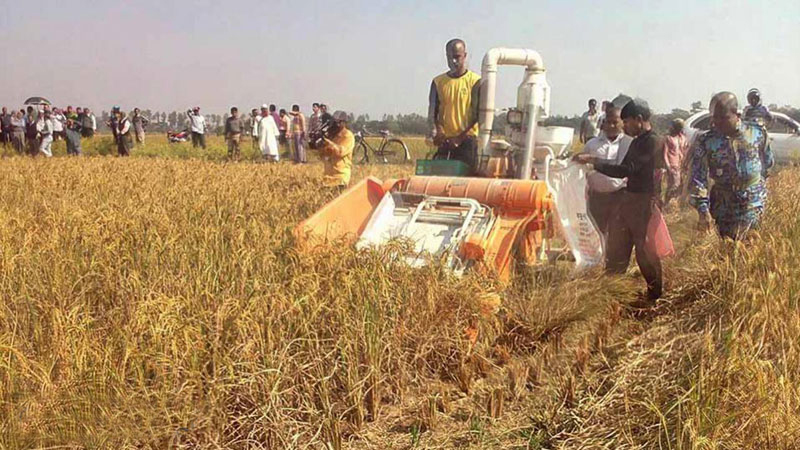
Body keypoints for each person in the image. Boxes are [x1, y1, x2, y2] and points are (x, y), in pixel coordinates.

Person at [574, 99, 663, 304]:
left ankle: (655, 295)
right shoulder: (639, 141)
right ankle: (612, 289)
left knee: (644, 250)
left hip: (644, 201)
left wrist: (594, 161)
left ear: (639, 120)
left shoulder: (651, 142)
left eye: (627, 122)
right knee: (618, 245)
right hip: (631, 199)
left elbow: (625, 170)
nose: (624, 126)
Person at [689, 92, 774, 240]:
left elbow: (767, 163)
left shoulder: (757, 133)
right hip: (723, 208)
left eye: (723, 118)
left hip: (752, 204)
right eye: (715, 117)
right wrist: (703, 210)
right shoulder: (706, 141)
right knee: (726, 253)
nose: (717, 122)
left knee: (751, 251)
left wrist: (755, 186)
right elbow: (698, 178)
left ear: (738, 114)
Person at [428, 38, 481, 173]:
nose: (454, 61)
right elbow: (433, 113)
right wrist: (438, 130)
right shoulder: (438, 82)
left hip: (467, 141)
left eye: (457, 57)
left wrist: (459, 137)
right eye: (450, 57)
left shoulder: (475, 81)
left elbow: (477, 115)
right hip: (446, 142)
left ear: (465, 56)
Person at [580, 105, 632, 236]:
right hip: (597, 197)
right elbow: (582, 169)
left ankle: (610, 256)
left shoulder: (629, 144)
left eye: (615, 122)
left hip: (619, 196)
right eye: (608, 122)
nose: (612, 126)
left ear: (622, 123)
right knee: (596, 230)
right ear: (603, 123)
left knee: (616, 233)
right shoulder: (592, 144)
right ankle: (598, 256)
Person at [319, 111, 355, 189]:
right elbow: (323, 155)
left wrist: (328, 143)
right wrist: (320, 145)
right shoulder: (331, 135)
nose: (336, 125)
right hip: (327, 178)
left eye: (338, 122)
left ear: (344, 123)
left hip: (340, 177)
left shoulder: (348, 136)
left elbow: (340, 152)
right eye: (334, 122)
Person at [661, 119, 689, 207]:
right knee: (673, 186)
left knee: (681, 186)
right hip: (673, 165)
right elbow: (665, 154)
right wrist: (668, 167)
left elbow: (685, 150)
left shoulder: (682, 138)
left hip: (682, 165)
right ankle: (666, 204)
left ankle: (675, 205)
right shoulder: (669, 138)